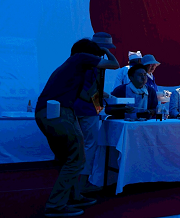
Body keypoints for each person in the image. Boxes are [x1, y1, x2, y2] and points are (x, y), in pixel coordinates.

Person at [35, 38, 119, 217]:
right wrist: (106, 52)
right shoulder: (81, 58)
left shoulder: (72, 68)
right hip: (60, 113)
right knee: (77, 157)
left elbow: (85, 95)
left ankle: (73, 195)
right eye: (97, 56)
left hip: (49, 112)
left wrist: (100, 89)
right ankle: (56, 205)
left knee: (68, 158)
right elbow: (114, 64)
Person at [73, 32, 115, 195]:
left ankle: (78, 184)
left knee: (81, 146)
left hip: (81, 108)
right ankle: (82, 185)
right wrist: (97, 103)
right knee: (89, 146)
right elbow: (88, 91)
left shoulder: (81, 62)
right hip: (86, 109)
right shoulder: (93, 64)